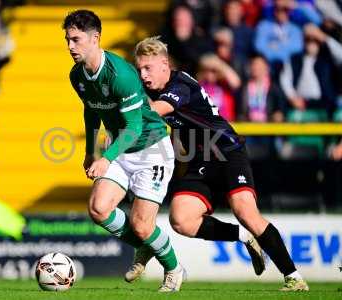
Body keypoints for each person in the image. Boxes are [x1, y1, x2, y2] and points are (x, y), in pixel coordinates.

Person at [130, 36, 309, 291]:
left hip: (227, 151)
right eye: (139, 70)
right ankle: (243, 237)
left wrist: (125, 113)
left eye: (147, 68)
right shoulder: (153, 89)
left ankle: (294, 277)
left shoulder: (180, 84)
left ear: (164, 64)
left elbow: (155, 111)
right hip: (200, 159)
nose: (143, 75)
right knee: (181, 220)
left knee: (246, 212)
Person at [63, 10, 185, 292]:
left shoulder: (121, 75)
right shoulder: (76, 75)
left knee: (142, 225)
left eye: (76, 40)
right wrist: (91, 151)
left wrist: (106, 158)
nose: (70, 46)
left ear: (95, 39)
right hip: (119, 148)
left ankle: (174, 269)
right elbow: (91, 111)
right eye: (67, 40)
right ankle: (149, 245)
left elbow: (134, 126)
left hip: (150, 147)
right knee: (99, 209)